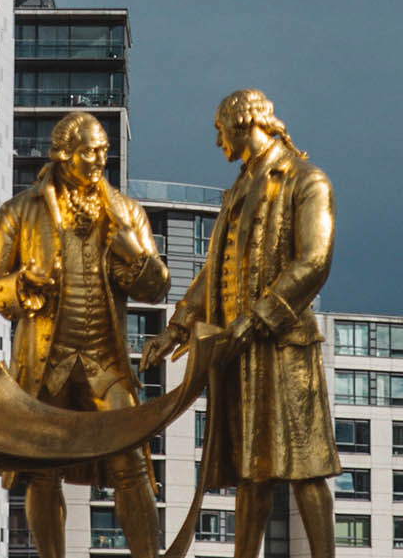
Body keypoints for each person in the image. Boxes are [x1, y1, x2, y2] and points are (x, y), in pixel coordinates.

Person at [141, 89, 341, 558]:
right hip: (238, 350)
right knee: (253, 470)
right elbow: (216, 271)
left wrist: (257, 319)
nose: (218, 143)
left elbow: (314, 262)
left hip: (284, 345)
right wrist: (177, 326)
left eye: (219, 130)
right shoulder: (240, 188)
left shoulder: (305, 180)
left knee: (306, 467)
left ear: (243, 122)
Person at [0, 112, 169, 558]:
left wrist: (136, 256)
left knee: (133, 463)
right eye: (90, 151)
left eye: (104, 150)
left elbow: (158, 287)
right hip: (47, 360)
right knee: (43, 470)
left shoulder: (125, 211)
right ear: (63, 155)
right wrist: (22, 285)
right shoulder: (20, 212)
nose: (101, 159)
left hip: (105, 361)